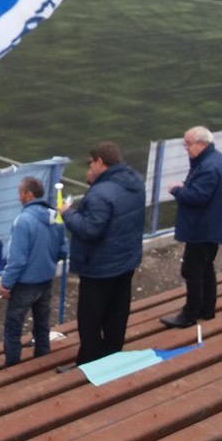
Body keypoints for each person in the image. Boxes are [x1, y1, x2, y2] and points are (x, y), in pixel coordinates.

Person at [61, 142, 146, 364]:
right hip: (126, 260)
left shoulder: (100, 194)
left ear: (100, 161)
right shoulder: (136, 182)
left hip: (100, 267)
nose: (90, 167)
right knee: (117, 312)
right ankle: (112, 355)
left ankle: (88, 361)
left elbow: (90, 229)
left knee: (90, 317)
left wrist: (67, 214)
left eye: (91, 162)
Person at [162, 126, 222, 328]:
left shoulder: (208, 167)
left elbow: (197, 197)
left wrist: (177, 190)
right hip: (213, 226)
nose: (186, 148)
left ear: (202, 144)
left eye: (188, 144)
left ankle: (189, 314)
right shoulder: (220, 160)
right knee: (206, 267)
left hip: (202, 228)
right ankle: (207, 309)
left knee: (192, 270)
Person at [0, 177, 66, 365]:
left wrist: (6, 283)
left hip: (24, 284)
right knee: (42, 324)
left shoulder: (23, 221)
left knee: (13, 328)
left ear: (28, 194)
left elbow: (17, 259)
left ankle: (12, 367)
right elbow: (63, 250)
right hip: (46, 280)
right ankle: (42, 362)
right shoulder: (55, 217)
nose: (19, 197)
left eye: (20, 193)